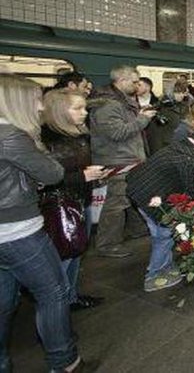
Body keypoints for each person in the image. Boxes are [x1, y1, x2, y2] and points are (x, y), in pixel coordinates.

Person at [0, 74, 84, 373]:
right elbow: (51, 173)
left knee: (5, 301)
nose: (39, 107)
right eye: (36, 99)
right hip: (18, 230)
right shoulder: (11, 136)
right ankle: (64, 361)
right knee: (53, 292)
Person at [41, 89, 110, 311]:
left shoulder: (78, 134)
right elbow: (44, 179)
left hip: (80, 200)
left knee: (76, 252)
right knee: (64, 257)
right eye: (78, 108)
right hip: (59, 206)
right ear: (60, 111)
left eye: (85, 108)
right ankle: (57, 306)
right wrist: (82, 176)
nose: (84, 113)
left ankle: (70, 296)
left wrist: (90, 174)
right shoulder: (46, 140)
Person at [126, 138, 194, 292]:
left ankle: (165, 266)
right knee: (163, 234)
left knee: (162, 232)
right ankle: (154, 275)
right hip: (147, 195)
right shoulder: (189, 163)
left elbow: (188, 182)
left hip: (138, 186)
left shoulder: (182, 149)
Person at [89, 65, 156, 258]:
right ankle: (108, 243)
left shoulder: (121, 101)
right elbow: (117, 133)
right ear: (122, 81)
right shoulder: (108, 105)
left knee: (130, 197)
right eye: (135, 82)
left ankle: (137, 229)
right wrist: (143, 119)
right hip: (118, 160)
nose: (138, 86)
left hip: (128, 158)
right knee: (116, 204)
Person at [147, 82, 190, 155]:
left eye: (183, 92)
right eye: (178, 92)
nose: (181, 95)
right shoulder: (159, 108)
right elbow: (155, 133)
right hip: (163, 146)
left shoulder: (184, 107)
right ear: (170, 92)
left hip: (177, 144)